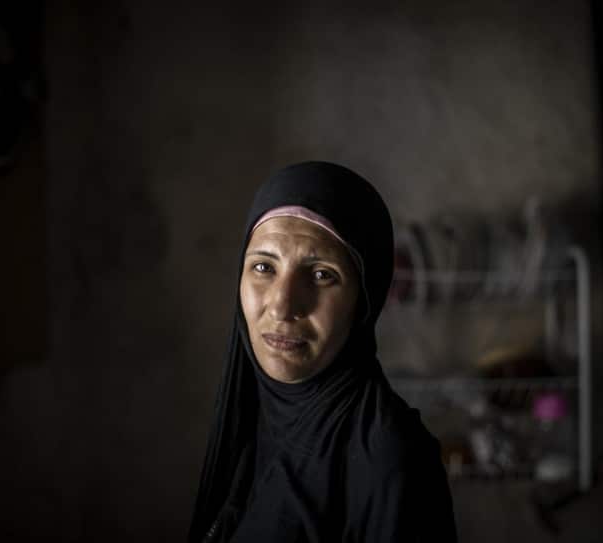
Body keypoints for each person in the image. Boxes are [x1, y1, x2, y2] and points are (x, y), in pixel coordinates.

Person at [189, 162, 456, 542]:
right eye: (264, 267)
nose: (282, 306)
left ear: (363, 301)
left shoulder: (390, 461)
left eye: (321, 275)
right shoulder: (251, 414)